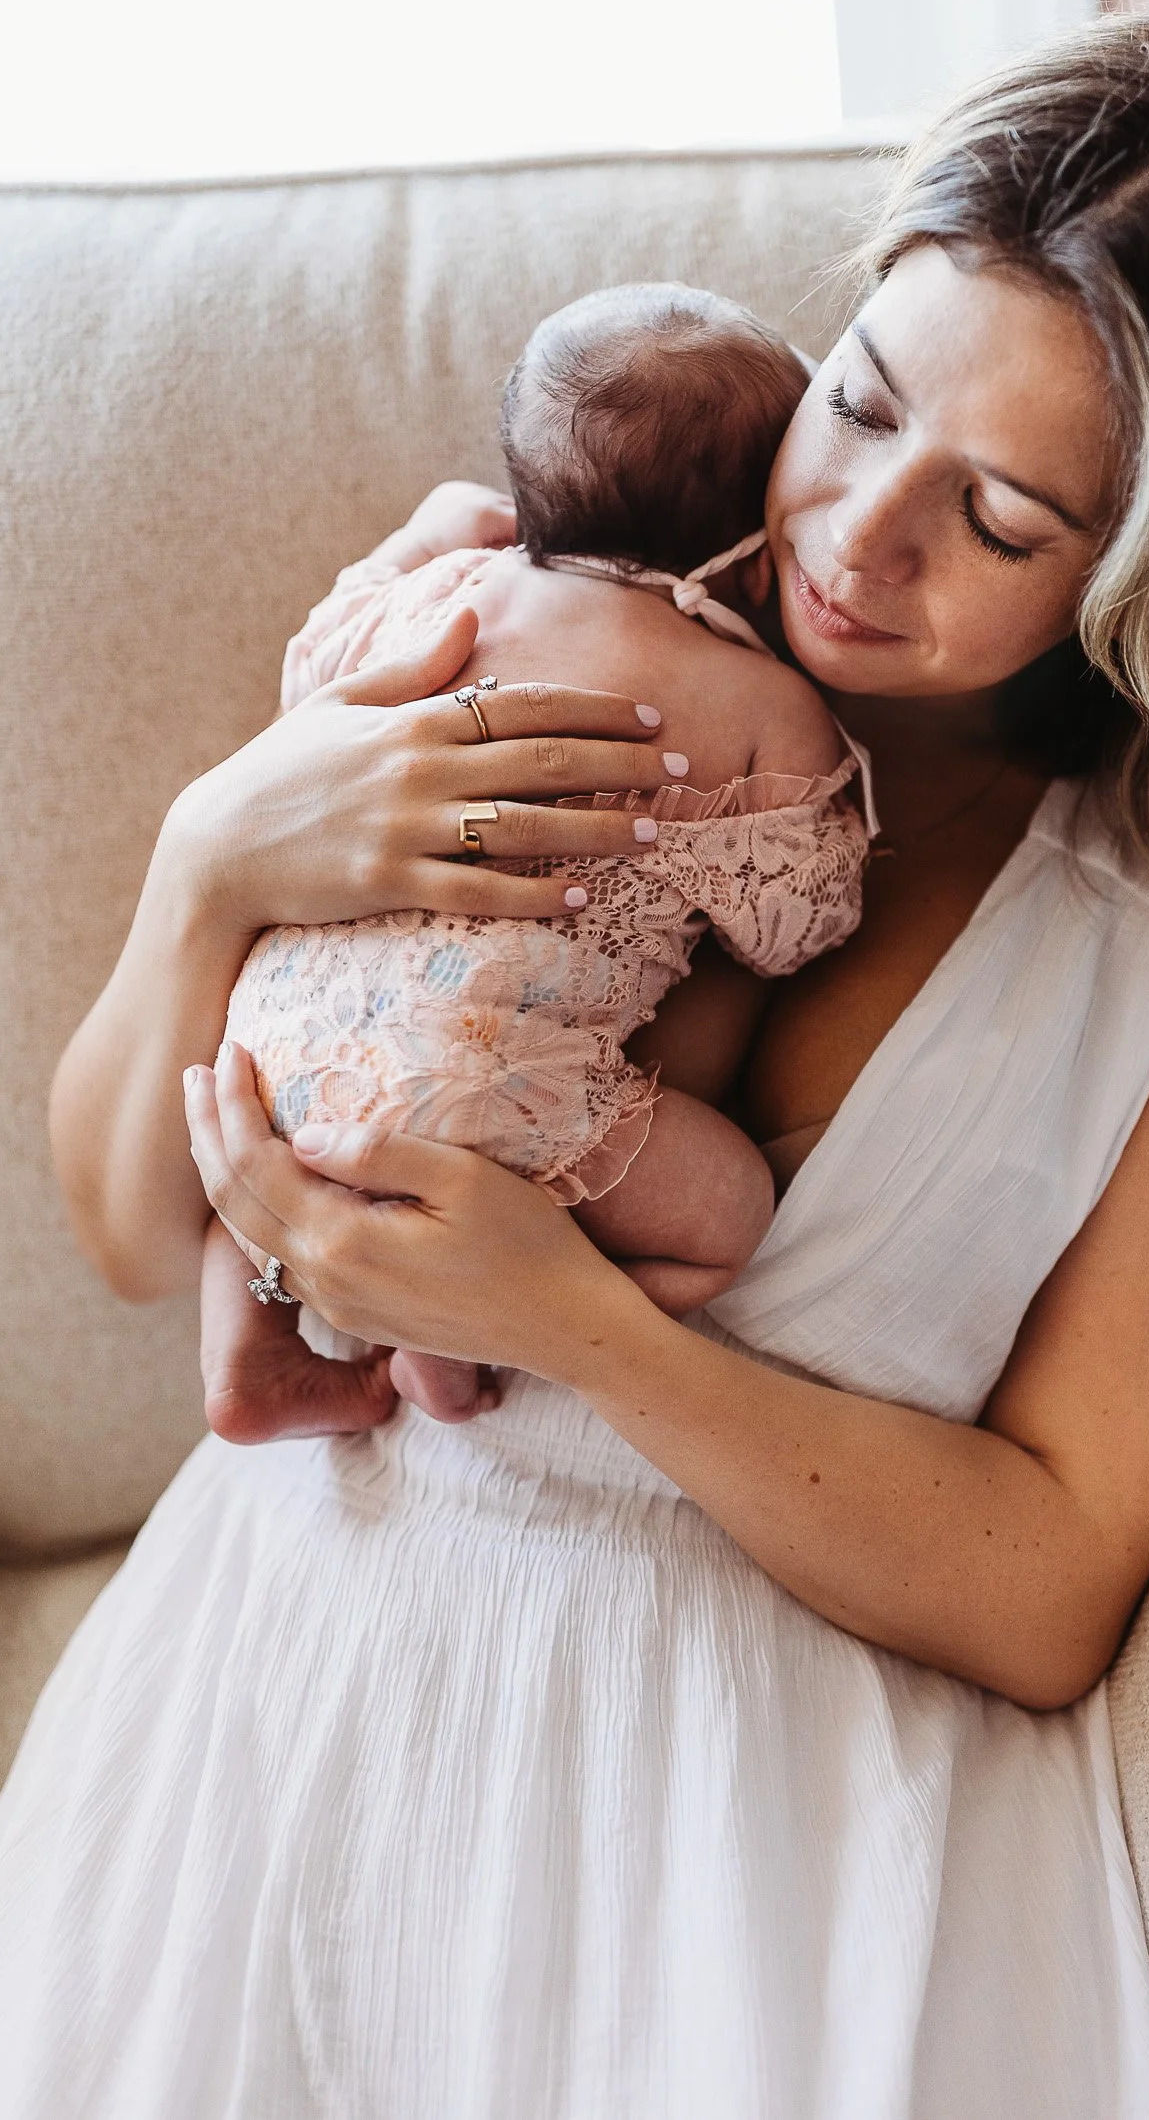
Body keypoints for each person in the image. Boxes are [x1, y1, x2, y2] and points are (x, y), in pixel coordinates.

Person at [0, 18, 1149, 2120]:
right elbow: (131, 1226)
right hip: (288, 1658)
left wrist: (572, 1325)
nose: (852, 532)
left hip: (739, 1782)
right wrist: (213, 858)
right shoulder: (514, 600)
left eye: (1001, 515)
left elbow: (1045, 1585)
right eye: (855, 397)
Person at [207, 282, 868, 1437]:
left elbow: (308, 677)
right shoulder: (754, 706)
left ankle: (253, 1348)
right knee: (731, 1215)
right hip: (482, 1083)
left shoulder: (435, 596)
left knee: (251, 1174)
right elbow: (794, 926)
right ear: (755, 557)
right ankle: (472, 1326)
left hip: (269, 1047)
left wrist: (415, 543)